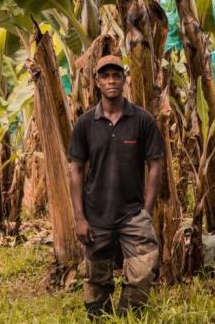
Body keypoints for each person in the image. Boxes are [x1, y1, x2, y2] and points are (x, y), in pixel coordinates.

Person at [68, 55, 163, 319]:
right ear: (97, 82)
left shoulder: (142, 120)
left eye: (116, 75)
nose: (111, 80)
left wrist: (147, 211)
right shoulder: (85, 123)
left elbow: (155, 165)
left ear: (124, 80)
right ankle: (100, 316)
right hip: (96, 214)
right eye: (105, 76)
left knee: (143, 270)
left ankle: (127, 315)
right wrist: (79, 218)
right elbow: (75, 170)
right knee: (96, 280)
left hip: (133, 213)